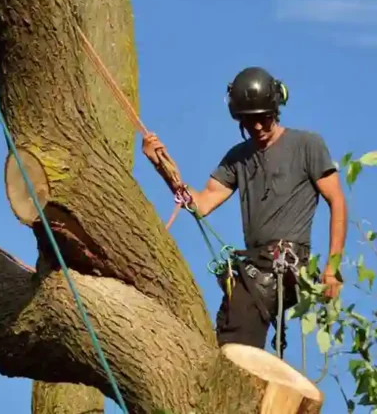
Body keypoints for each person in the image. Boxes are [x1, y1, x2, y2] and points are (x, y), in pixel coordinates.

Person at [141, 66, 347, 354]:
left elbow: (337, 201)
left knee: (237, 339)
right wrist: (162, 166)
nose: (258, 128)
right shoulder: (238, 158)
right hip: (254, 264)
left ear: (275, 110)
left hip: (285, 263)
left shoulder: (307, 145)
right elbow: (202, 203)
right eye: (249, 122)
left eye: (262, 119)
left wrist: (332, 268)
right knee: (228, 328)